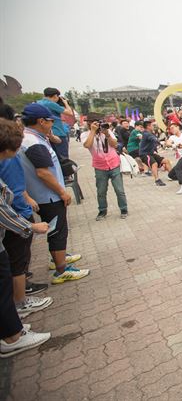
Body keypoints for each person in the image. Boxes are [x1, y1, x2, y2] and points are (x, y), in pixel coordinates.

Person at [18, 104, 90, 284]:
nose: (52, 124)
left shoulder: (31, 138)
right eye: (50, 121)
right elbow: (42, 172)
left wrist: (50, 136)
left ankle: (58, 259)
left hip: (41, 194)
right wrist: (61, 191)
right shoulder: (33, 142)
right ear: (41, 121)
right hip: (48, 195)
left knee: (55, 230)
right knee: (58, 230)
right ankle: (61, 270)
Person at [0, 119, 51, 358]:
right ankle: (12, 336)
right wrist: (29, 227)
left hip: (13, 224)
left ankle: (13, 326)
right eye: (10, 153)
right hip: (13, 226)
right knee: (4, 283)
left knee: (8, 276)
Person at [81, 120, 129, 220]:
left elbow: (115, 144)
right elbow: (87, 145)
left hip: (114, 163)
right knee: (101, 191)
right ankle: (102, 211)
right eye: (93, 123)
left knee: (119, 190)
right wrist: (93, 132)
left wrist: (106, 133)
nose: (97, 125)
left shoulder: (107, 131)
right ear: (89, 124)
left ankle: (124, 209)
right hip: (99, 167)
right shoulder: (85, 134)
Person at [37, 87, 73, 159]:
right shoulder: (50, 103)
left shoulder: (38, 103)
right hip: (58, 132)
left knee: (53, 158)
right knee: (63, 159)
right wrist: (66, 103)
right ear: (55, 96)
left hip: (45, 133)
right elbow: (70, 113)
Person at [139, 120, 171, 187]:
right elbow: (154, 139)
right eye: (152, 125)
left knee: (166, 161)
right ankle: (157, 180)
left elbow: (154, 142)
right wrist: (162, 142)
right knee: (154, 164)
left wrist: (160, 146)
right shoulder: (146, 134)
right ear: (148, 126)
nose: (154, 127)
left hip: (151, 153)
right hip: (144, 154)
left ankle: (171, 175)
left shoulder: (150, 133)